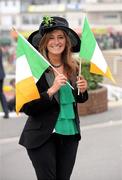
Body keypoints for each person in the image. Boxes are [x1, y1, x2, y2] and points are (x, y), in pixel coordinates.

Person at [19, 16, 88, 180]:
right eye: (50, 37)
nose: (56, 42)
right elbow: (27, 107)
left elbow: (79, 99)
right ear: (44, 42)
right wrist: (51, 90)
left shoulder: (74, 66)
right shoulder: (34, 69)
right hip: (41, 136)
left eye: (60, 37)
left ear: (66, 41)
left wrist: (83, 90)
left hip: (70, 134)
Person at [0, 46, 9, 118]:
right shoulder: (1, 50)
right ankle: (6, 111)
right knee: (1, 93)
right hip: (1, 74)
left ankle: (6, 111)